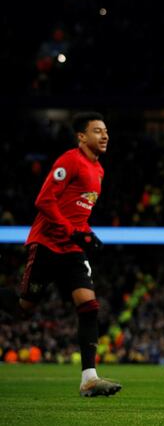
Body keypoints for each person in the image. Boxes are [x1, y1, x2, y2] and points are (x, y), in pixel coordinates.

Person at [0, 112, 121, 397]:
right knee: (23, 309)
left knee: (89, 306)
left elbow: (78, 210)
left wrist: (87, 234)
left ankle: (89, 379)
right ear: (81, 136)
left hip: (72, 248)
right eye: (97, 131)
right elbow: (43, 200)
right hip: (46, 245)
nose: (104, 136)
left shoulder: (99, 170)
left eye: (106, 131)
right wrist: (72, 229)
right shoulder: (70, 161)